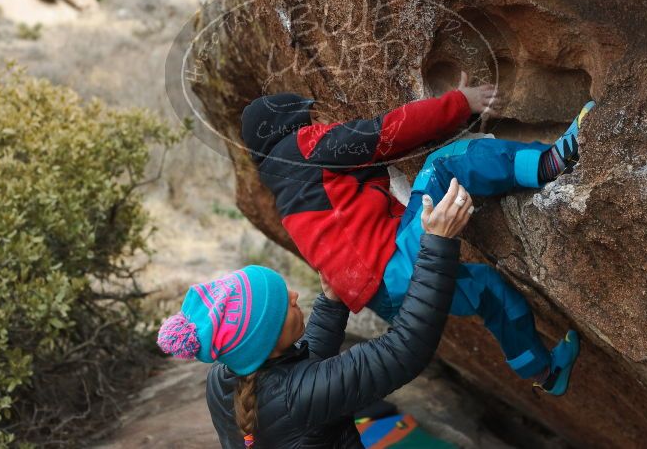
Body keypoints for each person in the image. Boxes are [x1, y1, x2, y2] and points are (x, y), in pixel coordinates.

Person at [240, 72, 593, 395]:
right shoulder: (302, 146)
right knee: (442, 165)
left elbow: (368, 168)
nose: (323, 122)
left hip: (389, 299)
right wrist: (458, 103)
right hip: (395, 263)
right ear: (292, 126)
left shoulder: (288, 191)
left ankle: (545, 372)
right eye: (313, 118)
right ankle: (547, 163)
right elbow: (383, 133)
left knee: (489, 289)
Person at [158, 180, 475, 448]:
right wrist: (437, 245)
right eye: (284, 304)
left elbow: (302, 376)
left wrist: (331, 302)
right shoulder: (297, 398)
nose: (295, 296)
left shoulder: (224, 379)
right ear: (266, 339)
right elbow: (404, 350)